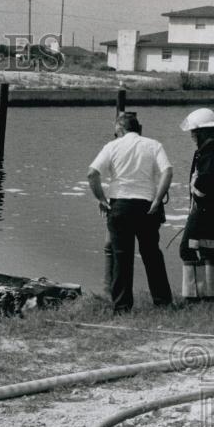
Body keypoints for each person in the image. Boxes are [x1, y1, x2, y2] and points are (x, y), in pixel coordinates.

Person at [88, 113, 173, 313]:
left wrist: (101, 199)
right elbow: (167, 171)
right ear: (139, 128)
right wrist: (158, 199)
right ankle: (162, 302)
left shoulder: (112, 146)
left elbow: (92, 173)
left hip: (120, 205)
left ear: (120, 129)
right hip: (146, 205)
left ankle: (122, 306)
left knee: (121, 257)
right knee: (152, 255)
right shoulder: (153, 145)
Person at [178, 108, 214, 301]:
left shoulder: (210, 150)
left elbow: (206, 181)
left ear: (202, 131)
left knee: (187, 249)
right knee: (210, 251)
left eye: (194, 132)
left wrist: (196, 192)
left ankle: (193, 295)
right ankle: (210, 294)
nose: (192, 136)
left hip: (205, 208)